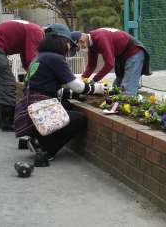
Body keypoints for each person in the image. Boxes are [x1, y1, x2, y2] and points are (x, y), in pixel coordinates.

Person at [14, 24, 105, 160]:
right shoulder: (55, 59)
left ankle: (35, 137)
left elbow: (49, 88)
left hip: (27, 111)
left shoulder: (39, 57)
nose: (69, 47)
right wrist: (94, 89)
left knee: (66, 106)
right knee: (80, 119)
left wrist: (74, 95)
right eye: (68, 42)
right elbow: (77, 86)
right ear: (60, 41)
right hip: (39, 111)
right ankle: (46, 149)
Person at [0, 20, 44, 131]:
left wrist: (29, 73)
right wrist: (36, 77)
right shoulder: (37, 31)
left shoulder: (31, 28)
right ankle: (8, 123)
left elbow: (26, 56)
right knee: (7, 83)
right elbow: (32, 58)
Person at [70, 28, 151, 96]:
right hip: (121, 55)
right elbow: (91, 65)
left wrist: (94, 80)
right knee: (116, 89)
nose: (81, 49)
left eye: (79, 47)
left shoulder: (100, 38)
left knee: (127, 90)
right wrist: (81, 79)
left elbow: (109, 64)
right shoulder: (91, 44)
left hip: (134, 52)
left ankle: (127, 109)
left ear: (81, 41)